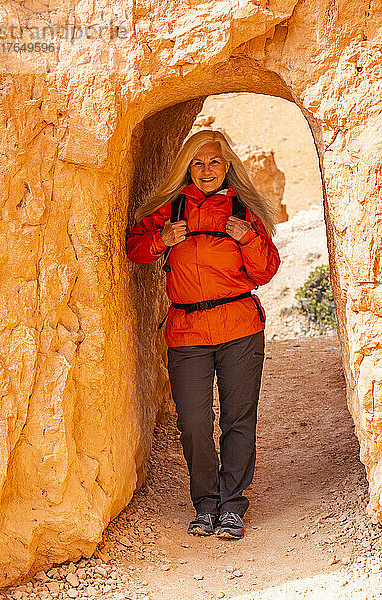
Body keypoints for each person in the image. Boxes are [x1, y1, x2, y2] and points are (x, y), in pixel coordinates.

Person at [126, 129, 281, 539]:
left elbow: (265, 271)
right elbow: (133, 247)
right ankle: (205, 502)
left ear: (228, 166)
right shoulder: (173, 208)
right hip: (187, 331)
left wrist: (246, 239)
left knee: (238, 418)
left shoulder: (244, 211)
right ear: (186, 168)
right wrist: (162, 238)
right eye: (197, 162)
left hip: (239, 327)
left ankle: (231, 505)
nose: (206, 170)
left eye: (214, 161)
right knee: (194, 421)